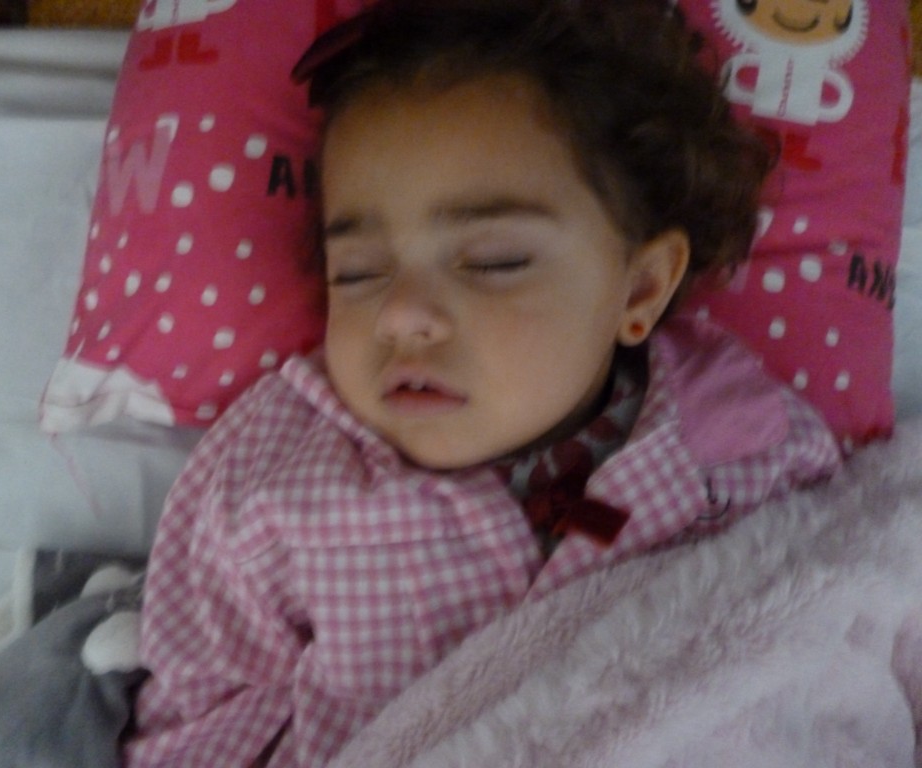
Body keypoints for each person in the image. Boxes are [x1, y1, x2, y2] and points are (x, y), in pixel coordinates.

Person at [124, 1, 841, 765]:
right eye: (357, 272)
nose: (401, 315)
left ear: (638, 289)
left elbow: (845, 624)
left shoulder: (746, 450)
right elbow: (200, 714)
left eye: (493, 261)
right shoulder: (274, 476)